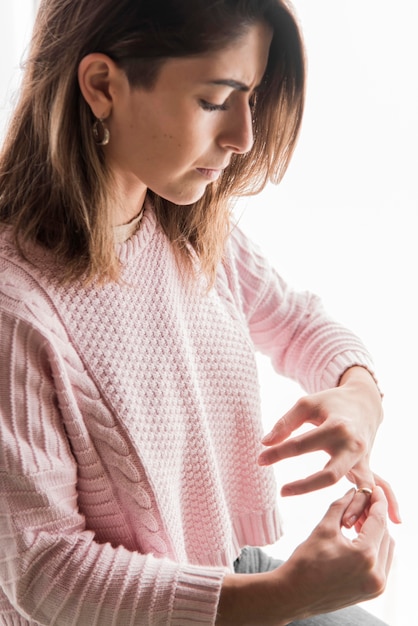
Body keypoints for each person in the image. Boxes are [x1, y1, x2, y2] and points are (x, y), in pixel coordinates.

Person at [0, 0, 401, 624]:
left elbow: (299, 323)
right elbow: (45, 569)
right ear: (103, 86)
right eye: (217, 99)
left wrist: (359, 398)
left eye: (253, 97)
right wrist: (283, 597)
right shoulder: (14, 306)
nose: (244, 136)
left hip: (227, 575)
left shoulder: (182, 223)